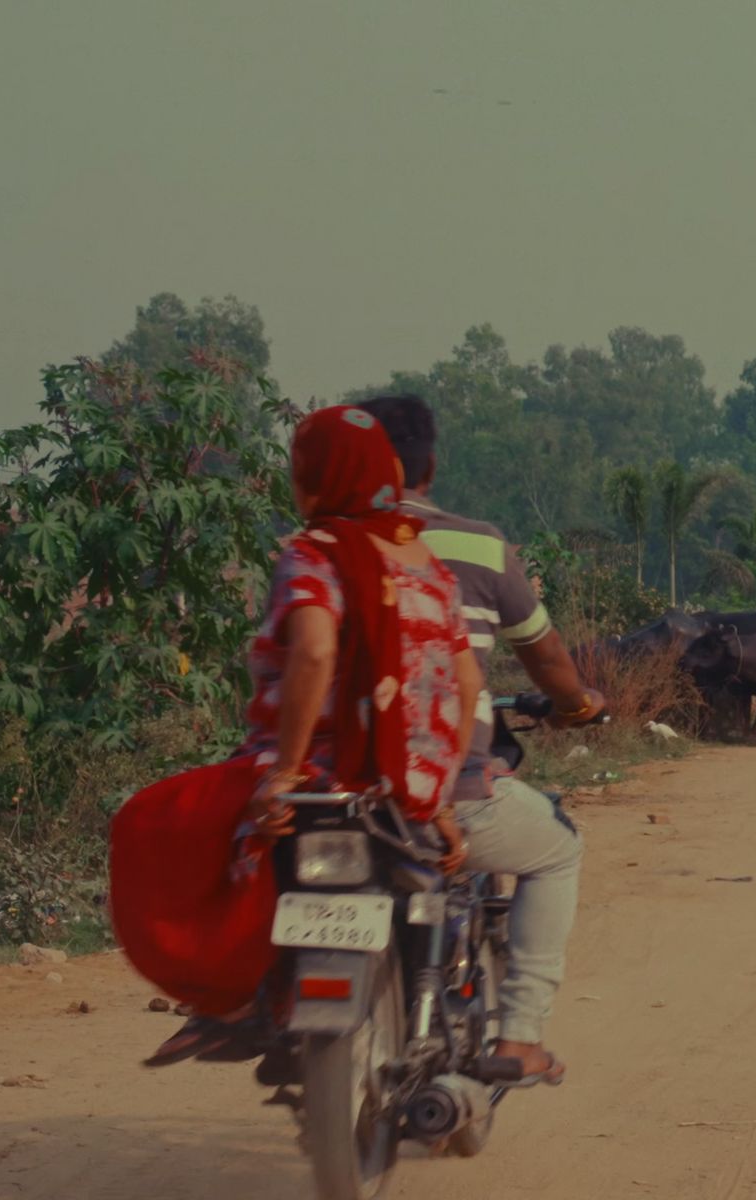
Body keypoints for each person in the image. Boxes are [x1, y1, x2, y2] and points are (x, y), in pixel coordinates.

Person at [129, 404, 479, 1065]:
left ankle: (228, 1001)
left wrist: (284, 773)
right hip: (409, 792)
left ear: (318, 478)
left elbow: (315, 651)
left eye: (300, 470)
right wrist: (441, 801)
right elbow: (464, 686)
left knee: (154, 824)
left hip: (323, 775)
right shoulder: (430, 569)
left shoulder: (311, 554)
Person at [359, 394, 604, 1088]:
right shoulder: (468, 549)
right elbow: (543, 660)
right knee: (560, 848)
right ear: (429, 465)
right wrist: (578, 703)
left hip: (331, 792)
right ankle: (522, 1034)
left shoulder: (317, 547)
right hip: (439, 792)